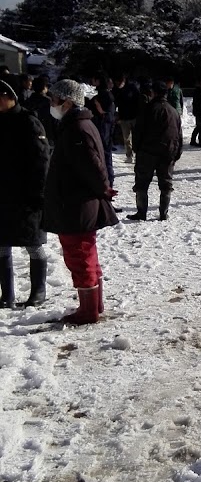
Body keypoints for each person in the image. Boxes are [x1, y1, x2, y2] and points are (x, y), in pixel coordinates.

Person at [43, 79, 118, 325]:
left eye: (54, 100)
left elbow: (93, 167)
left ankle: (88, 311)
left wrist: (103, 189)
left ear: (66, 101)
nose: (51, 105)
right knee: (87, 254)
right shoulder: (80, 124)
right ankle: (94, 304)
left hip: (76, 205)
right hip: (78, 203)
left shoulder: (76, 129)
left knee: (80, 256)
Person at [0, 79, 50, 308]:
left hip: (26, 196)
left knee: (34, 244)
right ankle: (6, 295)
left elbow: (41, 162)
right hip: (3, 194)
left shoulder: (29, 122)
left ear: (8, 97)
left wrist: (38, 194)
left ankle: (38, 292)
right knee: (1, 244)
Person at [127, 81, 182, 222]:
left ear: (153, 93)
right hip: (168, 152)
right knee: (166, 184)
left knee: (142, 183)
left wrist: (136, 148)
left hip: (147, 152)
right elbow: (179, 134)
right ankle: (163, 213)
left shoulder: (147, 109)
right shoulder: (173, 111)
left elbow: (138, 131)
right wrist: (177, 152)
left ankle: (141, 213)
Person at [87, 72, 116, 185]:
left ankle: (106, 180)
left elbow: (106, 113)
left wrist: (99, 109)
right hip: (106, 128)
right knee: (105, 155)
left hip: (102, 128)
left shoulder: (102, 96)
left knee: (102, 155)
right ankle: (108, 179)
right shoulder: (108, 94)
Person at [112, 73, 140, 163]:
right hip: (123, 117)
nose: (118, 85)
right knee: (126, 138)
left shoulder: (132, 87)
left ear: (123, 81)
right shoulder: (116, 89)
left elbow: (138, 100)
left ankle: (138, 155)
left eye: (119, 83)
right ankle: (129, 155)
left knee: (136, 137)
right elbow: (114, 102)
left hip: (134, 116)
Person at [25, 74, 56, 146]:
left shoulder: (28, 100)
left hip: (32, 132)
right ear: (44, 87)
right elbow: (54, 120)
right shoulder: (49, 101)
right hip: (48, 133)